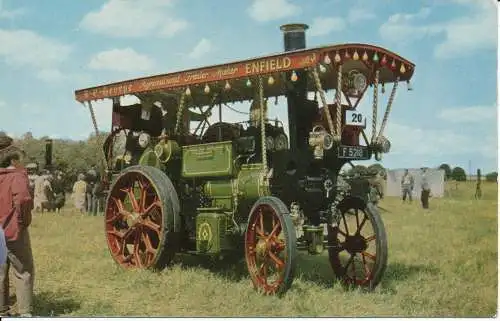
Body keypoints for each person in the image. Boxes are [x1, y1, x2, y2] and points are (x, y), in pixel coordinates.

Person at [0, 133, 35, 317]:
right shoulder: (16, 176)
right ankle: (25, 313)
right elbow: (23, 199)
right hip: (13, 230)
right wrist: (22, 221)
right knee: (23, 272)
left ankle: (2, 311)